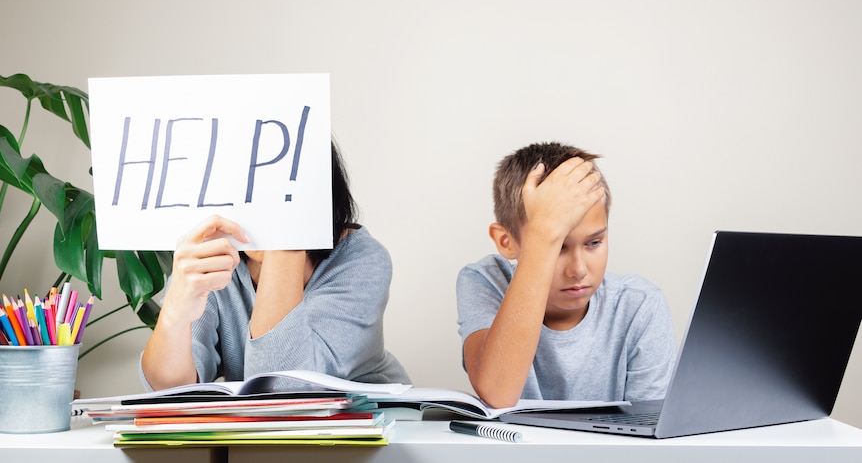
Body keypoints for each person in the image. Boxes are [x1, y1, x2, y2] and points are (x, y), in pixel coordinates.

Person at [140, 139, 410, 391]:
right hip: (264, 433)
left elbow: (283, 385)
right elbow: (170, 391)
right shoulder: (216, 257)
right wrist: (176, 311)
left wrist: (288, 235)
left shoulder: (361, 259)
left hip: (371, 428)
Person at [456, 142, 675, 408]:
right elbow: (498, 393)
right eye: (558, 246)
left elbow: (651, 431)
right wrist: (543, 235)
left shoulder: (639, 304)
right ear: (506, 241)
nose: (579, 270)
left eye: (594, 243)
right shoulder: (486, 281)